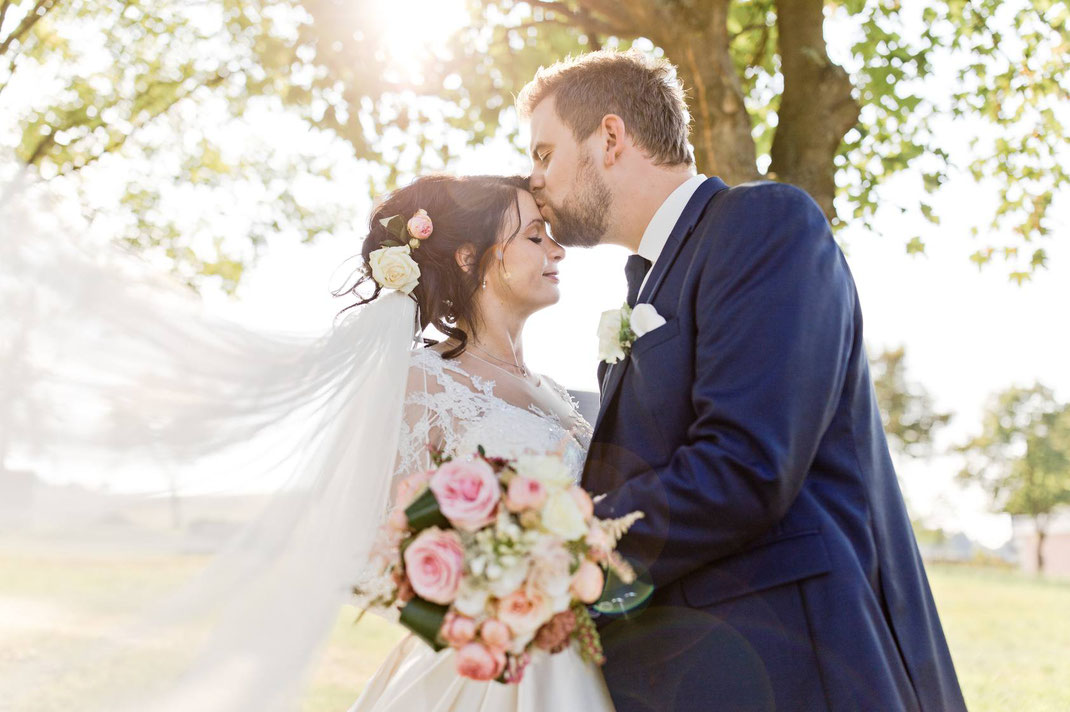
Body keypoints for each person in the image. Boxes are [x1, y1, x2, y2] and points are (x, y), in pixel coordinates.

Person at [519, 49, 967, 712]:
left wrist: (560, 551)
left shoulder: (762, 224)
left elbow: (747, 464)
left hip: (802, 672)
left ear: (610, 138)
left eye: (544, 153)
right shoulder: (651, 279)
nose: (535, 181)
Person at [344, 174, 615, 711]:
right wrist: (490, 595)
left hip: (589, 659)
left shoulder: (556, 393)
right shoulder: (423, 380)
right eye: (535, 237)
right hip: (484, 675)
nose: (558, 250)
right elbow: (374, 557)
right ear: (470, 259)